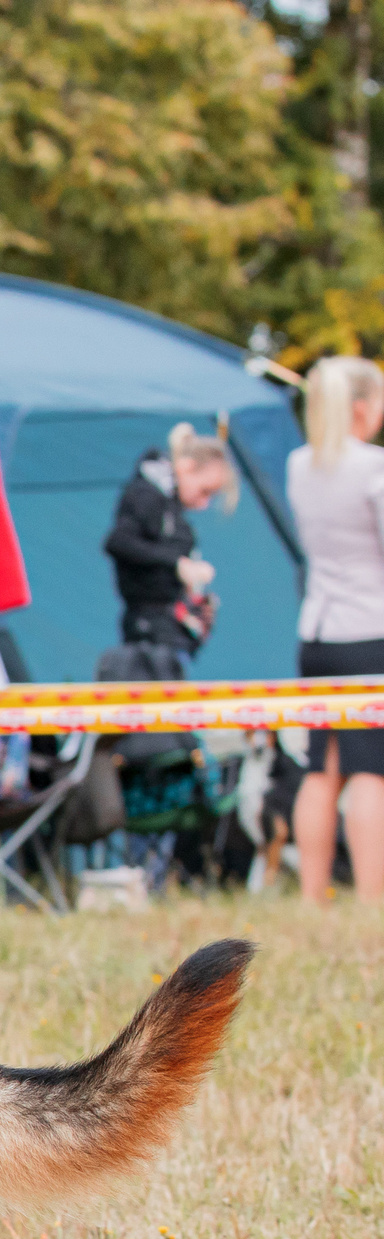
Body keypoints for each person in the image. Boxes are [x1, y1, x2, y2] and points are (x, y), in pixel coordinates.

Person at [286, 355, 384, 905]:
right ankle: (373, 900)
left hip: (317, 634)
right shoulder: (374, 468)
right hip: (369, 631)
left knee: (319, 769)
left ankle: (312, 896)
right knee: (372, 771)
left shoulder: (301, 464)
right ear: (364, 409)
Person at [102, 424, 234, 660]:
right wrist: (177, 564)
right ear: (186, 468)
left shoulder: (171, 507)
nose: (204, 504)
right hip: (148, 628)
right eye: (204, 491)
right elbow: (119, 541)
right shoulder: (147, 495)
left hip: (169, 625)